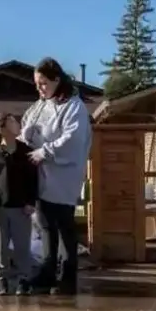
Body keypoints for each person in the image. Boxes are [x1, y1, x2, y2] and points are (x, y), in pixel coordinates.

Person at [20, 57, 92, 296]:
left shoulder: (74, 106)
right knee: (45, 226)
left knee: (63, 228)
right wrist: (25, 136)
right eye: (37, 83)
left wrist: (45, 151)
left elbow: (72, 139)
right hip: (41, 175)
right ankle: (47, 272)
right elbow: (27, 126)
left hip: (63, 176)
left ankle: (67, 277)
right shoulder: (40, 104)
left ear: (56, 79)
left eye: (43, 83)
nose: (39, 87)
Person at [0, 112, 39, 296]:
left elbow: (33, 180)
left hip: (21, 208)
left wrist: (31, 202)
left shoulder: (25, 151)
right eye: (12, 122)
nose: (17, 124)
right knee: (1, 247)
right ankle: (2, 279)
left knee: (22, 246)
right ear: (2, 129)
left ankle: (24, 280)